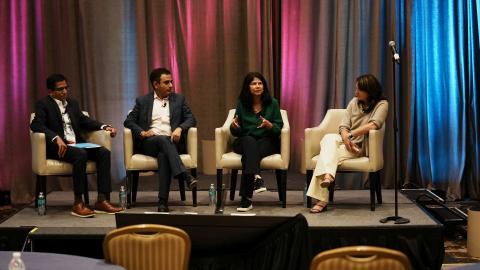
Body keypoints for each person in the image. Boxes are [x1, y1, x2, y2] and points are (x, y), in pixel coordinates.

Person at [30, 74, 122, 218]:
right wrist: (55, 138)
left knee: (104, 152)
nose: (65, 92)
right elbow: (36, 124)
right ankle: (78, 203)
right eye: (60, 89)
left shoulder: (72, 103)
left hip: (78, 144)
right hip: (58, 148)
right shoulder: (44, 104)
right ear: (51, 91)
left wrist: (104, 126)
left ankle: (102, 200)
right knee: (81, 154)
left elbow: (84, 120)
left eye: (66, 88)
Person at [307, 74, 388, 213]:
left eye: (359, 90)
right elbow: (343, 126)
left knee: (325, 155)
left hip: (360, 147)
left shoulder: (382, 104)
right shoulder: (354, 102)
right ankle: (328, 176)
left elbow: (374, 125)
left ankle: (322, 199)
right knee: (328, 138)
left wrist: (351, 136)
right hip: (346, 143)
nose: (355, 92)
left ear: (369, 90)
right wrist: (345, 138)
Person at [124, 67, 198, 212]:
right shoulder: (143, 101)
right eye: (166, 82)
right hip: (150, 143)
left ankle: (162, 202)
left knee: (164, 154)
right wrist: (142, 132)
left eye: (171, 82)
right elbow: (128, 121)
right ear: (155, 84)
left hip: (172, 143)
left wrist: (180, 128)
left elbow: (191, 119)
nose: (171, 85)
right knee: (162, 141)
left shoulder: (179, 99)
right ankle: (184, 175)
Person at [230, 72, 284, 212]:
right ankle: (256, 177)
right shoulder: (242, 103)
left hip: (267, 141)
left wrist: (269, 125)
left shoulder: (272, 103)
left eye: (260, 83)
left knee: (249, 155)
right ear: (247, 87)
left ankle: (245, 199)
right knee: (249, 142)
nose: (257, 86)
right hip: (245, 140)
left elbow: (279, 129)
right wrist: (234, 126)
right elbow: (236, 131)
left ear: (264, 86)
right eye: (254, 83)